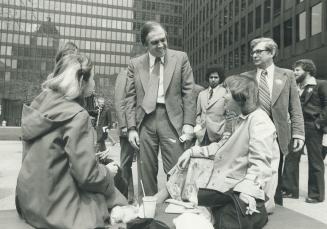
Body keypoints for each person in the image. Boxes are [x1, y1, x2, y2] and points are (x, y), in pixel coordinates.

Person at [15, 53, 127, 229]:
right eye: (93, 78)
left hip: (29, 202)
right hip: (56, 210)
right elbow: (88, 176)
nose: (95, 83)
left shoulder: (40, 105)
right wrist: (107, 172)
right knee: (117, 190)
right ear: (82, 82)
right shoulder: (78, 115)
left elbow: (48, 154)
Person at [167, 74, 277, 229]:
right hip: (229, 187)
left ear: (240, 97)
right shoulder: (240, 118)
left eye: (226, 92)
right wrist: (192, 151)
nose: (224, 96)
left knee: (218, 218)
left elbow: (260, 166)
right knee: (199, 201)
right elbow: (221, 146)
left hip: (242, 192)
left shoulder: (259, 121)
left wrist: (246, 195)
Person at [125, 21, 196, 196]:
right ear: (145, 45)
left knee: (176, 167)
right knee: (146, 170)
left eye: (163, 40)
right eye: (154, 42)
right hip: (145, 120)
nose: (161, 45)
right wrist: (132, 128)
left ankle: (177, 208)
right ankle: (147, 213)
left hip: (171, 119)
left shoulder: (181, 58)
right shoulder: (135, 64)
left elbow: (189, 92)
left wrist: (188, 123)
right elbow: (130, 98)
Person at [242, 37, 305, 208]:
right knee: (253, 174)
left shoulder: (287, 75)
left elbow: (295, 107)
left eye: (259, 52)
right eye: (252, 52)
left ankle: (276, 211)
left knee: (275, 175)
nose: (254, 55)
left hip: (278, 134)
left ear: (271, 53)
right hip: (252, 135)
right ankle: (253, 209)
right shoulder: (245, 77)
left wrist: (298, 132)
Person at [283, 59, 327, 203]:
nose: (294, 73)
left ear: (307, 71)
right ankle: (290, 190)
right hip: (297, 127)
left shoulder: (320, 84)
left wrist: (318, 124)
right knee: (291, 158)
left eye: (297, 70)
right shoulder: (295, 87)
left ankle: (316, 195)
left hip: (313, 126)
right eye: (294, 70)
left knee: (315, 161)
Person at [114, 69, 136, 203]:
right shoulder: (125, 73)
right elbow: (119, 100)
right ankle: (124, 197)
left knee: (144, 164)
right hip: (128, 127)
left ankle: (135, 197)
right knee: (126, 164)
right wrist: (123, 125)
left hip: (143, 126)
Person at [195, 65, 226, 146]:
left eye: (216, 77)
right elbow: (198, 114)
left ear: (220, 78)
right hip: (202, 134)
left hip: (218, 134)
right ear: (207, 78)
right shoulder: (201, 94)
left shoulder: (225, 93)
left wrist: (223, 130)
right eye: (211, 77)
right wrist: (198, 128)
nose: (213, 80)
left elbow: (229, 114)